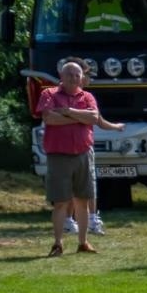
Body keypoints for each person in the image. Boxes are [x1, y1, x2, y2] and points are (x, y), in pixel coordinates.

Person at [35, 60, 104, 256]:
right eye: (70, 75)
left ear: (82, 77)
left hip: (83, 153)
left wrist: (68, 113)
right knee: (60, 202)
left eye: (77, 75)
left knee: (83, 200)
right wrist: (79, 117)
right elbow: (49, 118)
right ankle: (58, 243)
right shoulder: (49, 94)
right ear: (61, 78)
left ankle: (83, 242)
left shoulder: (88, 96)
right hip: (59, 155)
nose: (74, 78)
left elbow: (93, 118)